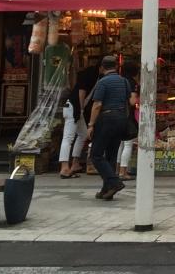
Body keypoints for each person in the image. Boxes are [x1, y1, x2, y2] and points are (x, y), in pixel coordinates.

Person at [85, 56, 132, 201]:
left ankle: (115, 182)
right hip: (121, 119)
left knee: (96, 154)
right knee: (111, 155)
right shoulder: (124, 81)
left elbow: (97, 104)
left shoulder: (102, 82)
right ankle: (107, 189)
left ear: (102, 67)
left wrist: (91, 124)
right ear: (116, 67)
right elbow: (129, 101)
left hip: (106, 119)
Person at [58, 63, 90, 179]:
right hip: (73, 108)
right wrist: (81, 109)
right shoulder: (88, 77)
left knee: (83, 134)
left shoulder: (88, 77)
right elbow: (82, 92)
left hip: (76, 109)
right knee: (68, 138)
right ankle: (64, 167)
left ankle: (75, 163)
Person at [117, 69, 139, 182]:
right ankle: (123, 172)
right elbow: (132, 101)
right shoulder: (132, 83)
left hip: (118, 114)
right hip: (127, 115)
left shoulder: (119, 81)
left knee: (120, 144)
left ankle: (117, 170)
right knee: (128, 144)